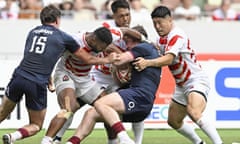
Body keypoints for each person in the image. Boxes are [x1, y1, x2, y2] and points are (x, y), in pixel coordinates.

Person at [0, 4, 116, 144]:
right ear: (57, 19)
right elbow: (88, 59)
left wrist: (48, 78)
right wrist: (108, 60)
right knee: (48, 119)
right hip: (50, 79)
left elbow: (36, 57)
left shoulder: (33, 31)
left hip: (20, 75)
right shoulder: (66, 38)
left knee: (3, 112)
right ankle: (39, 139)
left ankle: (16, 138)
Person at [53, 1, 146, 144]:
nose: (125, 19)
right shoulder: (107, 29)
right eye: (121, 16)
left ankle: (122, 141)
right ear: (113, 15)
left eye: (128, 15)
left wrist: (146, 42)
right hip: (96, 78)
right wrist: (121, 56)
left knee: (111, 111)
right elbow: (107, 46)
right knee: (71, 107)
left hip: (115, 82)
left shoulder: (129, 35)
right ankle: (56, 138)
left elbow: (131, 35)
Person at [133, 5, 223, 144]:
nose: (157, 26)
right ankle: (199, 143)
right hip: (181, 85)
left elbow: (168, 59)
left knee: (194, 112)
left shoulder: (177, 35)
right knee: (173, 121)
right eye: (154, 23)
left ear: (170, 20)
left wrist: (147, 63)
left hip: (196, 80)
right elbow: (157, 54)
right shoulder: (160, 40)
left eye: (160, 22)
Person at [65, 25, 162, 144]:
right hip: (137, 100)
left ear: (133, 39)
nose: (125, 45)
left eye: (126, 41)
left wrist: (106, 54)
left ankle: (125, 139)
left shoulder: (143, 47)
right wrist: (115, 70)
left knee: (101, 103)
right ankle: (71, 142)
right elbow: (121, 81)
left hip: (140, 96)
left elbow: (120, 59)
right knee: (91, 113)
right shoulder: (145, 53)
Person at [40, 19, 121, 144]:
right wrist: (46, 74)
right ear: (94, 40)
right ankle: (46, 141)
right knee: (69, 108)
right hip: (66, 74)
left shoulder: (105, 38)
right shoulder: (74, 40)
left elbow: (125, 31)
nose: (103, 49)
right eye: (102, 47)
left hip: (85, 79)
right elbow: (53, 55)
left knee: (108, 107)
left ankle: (113, 142)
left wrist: (141, 40)